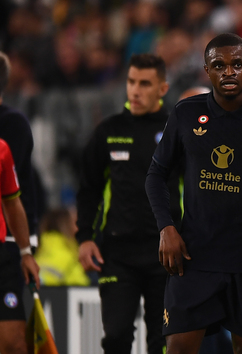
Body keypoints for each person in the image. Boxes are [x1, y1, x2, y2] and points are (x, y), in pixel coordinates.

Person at [145, 33, 242, 354]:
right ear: (207, 70)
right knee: (178, 348)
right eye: (219, 65)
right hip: (195, 259)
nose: (228, 72)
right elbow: (155, 174)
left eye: (237, 65)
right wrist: (166, 227)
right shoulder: (186, 113)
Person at [76, 54, 182, 354]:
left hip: (166, 256)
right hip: (117, 254)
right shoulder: (108, 131)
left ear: (162, 88)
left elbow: (198, 193)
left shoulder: (177, 130)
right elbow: (88, 191)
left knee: (162, 342)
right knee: (116, 338)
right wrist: (84, 238)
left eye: (145, 84)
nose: (135, 90)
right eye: (131, 82)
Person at [0, 52, 39, 348]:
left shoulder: (5, 141)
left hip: (4, 249)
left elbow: (14, 199)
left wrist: (26, 249)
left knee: (13, 342)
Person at [0, 138, 40, 354]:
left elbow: (12, 203)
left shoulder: (2, 148)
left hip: (1, 257)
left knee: (16, 344)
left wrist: (26, 253)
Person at [35, 208, 90, 286]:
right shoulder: (63, 256)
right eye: (77, 223)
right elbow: (43, 289)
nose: (80, 228)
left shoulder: (42, 252)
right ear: (67, 226)